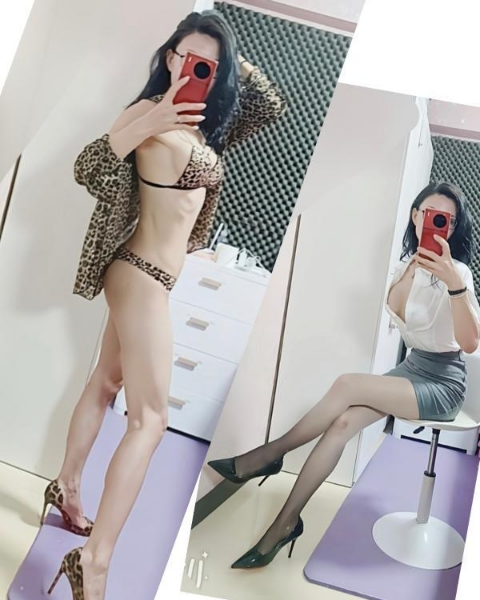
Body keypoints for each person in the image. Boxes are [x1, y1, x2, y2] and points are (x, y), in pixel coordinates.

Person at [44, 9, 287, 599]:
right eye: (186, 56)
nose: (194, 68)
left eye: (208, 64)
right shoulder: (147, 113)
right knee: (151, 420)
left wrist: (227, 59)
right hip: (139, 276)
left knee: (105, 383)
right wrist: (152, 116)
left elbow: (269, 105)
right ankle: (95, 562)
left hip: (151, 277)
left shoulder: (205, 123)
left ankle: (67, 488)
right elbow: (88, 167)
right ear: (169, 55)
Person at [209, 181, 480, 569]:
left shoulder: (460, 273)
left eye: (446, 220)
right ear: (415, 216)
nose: (437, 224)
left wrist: (453, 285)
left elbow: (469, 343)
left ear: (453, 227)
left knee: (347, 384)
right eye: (429, 214)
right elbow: (398, 313)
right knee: (342, 423)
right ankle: (285, 524)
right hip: (411, 368)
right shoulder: (405, 266)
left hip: (443, 382)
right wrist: (411, 273)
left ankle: (269, 455)